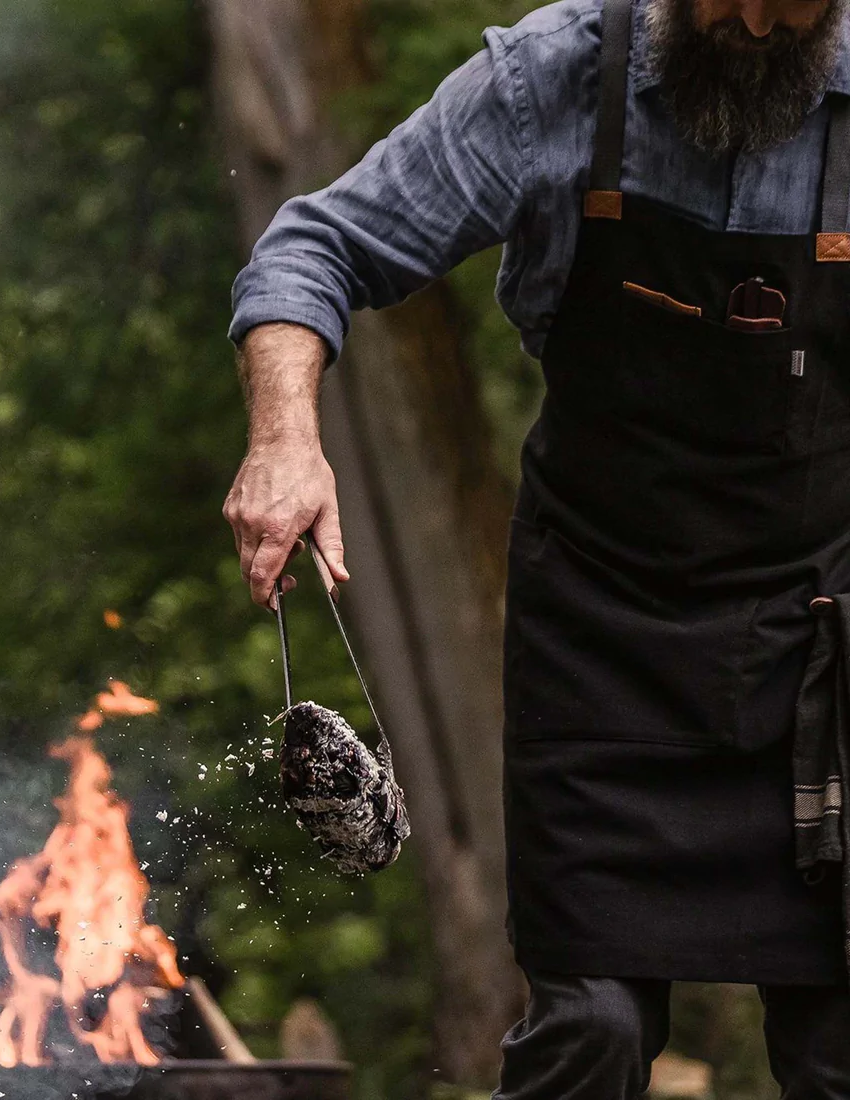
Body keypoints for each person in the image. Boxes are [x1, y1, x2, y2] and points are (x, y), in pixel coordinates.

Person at [222, 0, 850, 1094]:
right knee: (589, 1030)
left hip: (820, 639)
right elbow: (314, 245)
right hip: (600, 638)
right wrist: (283, 439)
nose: (754, 21)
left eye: (791, 1)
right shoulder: (551, 82)